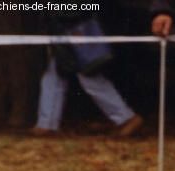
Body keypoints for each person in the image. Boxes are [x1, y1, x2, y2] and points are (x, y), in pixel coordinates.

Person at [30, 8, 143, 137]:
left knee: (89, 77)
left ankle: (126, 117)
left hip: (76, 30)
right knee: (55, 74)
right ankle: (46, 124)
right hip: (63, 30)